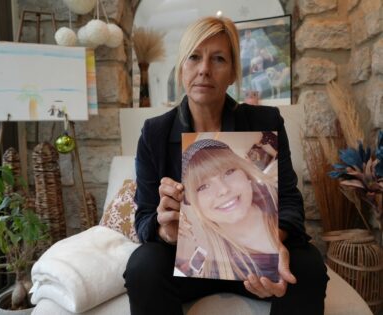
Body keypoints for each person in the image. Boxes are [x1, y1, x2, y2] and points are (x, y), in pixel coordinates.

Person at [123, 15, 328, 315]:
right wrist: (165, 229)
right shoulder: (154, 133)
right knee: (143, 265)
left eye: (218, 59)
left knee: (308, 265)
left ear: (232, 72)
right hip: (191, 265)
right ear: (182, 68)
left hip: (254, 263)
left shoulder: (264, 124)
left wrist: (272, 246)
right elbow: (143, 220)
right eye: (194, 57)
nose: (204, 69)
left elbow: (290, 205)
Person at [175, 138, 279, 282]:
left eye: (229, 172)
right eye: (203, 187)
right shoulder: (218, 270)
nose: (223, 190)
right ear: (193, 203)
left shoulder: (279, 199)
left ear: (245, 173)